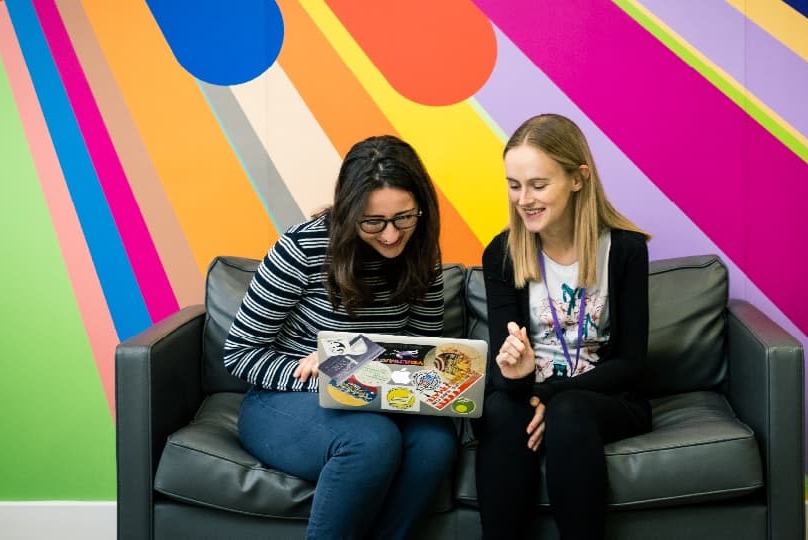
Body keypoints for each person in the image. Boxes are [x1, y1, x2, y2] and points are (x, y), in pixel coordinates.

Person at [224, 135, 457, 540]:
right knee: (371, 441)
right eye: (373, 222)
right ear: (349, 211)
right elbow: (240, 353)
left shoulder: (421, 252)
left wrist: (354, 363)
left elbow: (420, 350)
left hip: (378, 397)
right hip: (288, 397)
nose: (391, 235)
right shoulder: (303, 247)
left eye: (404, 218)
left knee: (435, 444)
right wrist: (323, 373)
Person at [476, 114, 653, 539]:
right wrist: (517, 376)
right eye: (514, 185)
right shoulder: (502, 254)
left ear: (578, 178)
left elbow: (631, 363)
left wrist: (551, 396)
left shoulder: (625, 250)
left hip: (603, 396)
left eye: (538, 185)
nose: (524, 200)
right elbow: (504, 372)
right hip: (527, 392)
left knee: (569, 412)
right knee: (501, 411)